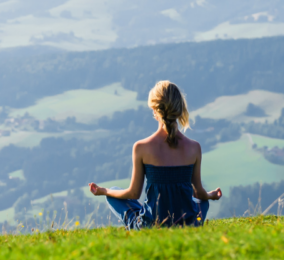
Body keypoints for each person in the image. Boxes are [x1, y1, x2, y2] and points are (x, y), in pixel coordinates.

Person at [88, 80, 222, 229]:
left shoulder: (141, 147)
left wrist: (104, 191)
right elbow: (199, 194)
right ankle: (190, 223)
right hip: (187, 223)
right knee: (202, 203)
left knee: (114, 192)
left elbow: (133, 194)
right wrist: (211, 195)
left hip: (151, 225)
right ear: (180, 109)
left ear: (154, 110)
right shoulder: (194, 148)